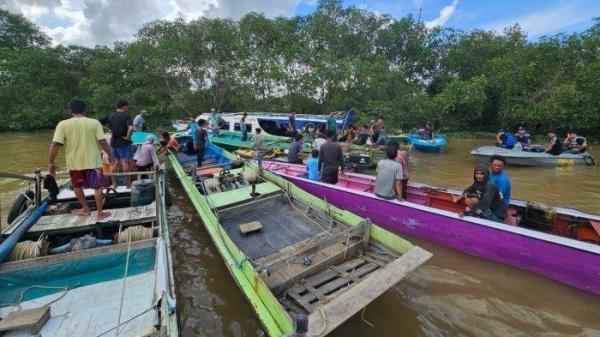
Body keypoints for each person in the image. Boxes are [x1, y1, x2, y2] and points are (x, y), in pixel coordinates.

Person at [48, 99, 112, 219]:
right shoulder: (94, 123)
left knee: (77, 186)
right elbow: (103, 142)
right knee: (98, 187)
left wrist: (51, 162)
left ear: (70, 110)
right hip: (93, 162)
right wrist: (110, 154)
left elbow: (55, 145)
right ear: (85, 110)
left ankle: (86, 209)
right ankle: (99, 213)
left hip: (74, 163)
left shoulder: (63, 124)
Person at [107, 99, 134, 188]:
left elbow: (98, 123)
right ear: (124, 107)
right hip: (123, 143)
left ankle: (114, 184)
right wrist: (128, 137)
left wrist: (110, 129)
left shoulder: (110, 116)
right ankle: (128, 184)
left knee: (115, 163)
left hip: (113, 143)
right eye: (127, 107)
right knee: (125, 162)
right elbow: (131, 128)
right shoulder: (126, 116)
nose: (128, 108)